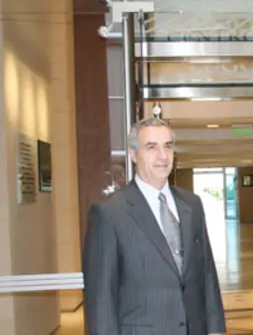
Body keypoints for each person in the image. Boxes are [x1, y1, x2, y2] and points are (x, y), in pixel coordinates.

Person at [82, 118, 225, 335]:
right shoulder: (109, 214)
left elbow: (207, 273)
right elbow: (101, 300)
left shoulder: (192, 205)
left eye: (168, 146)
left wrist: (216, 329)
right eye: (152, 147)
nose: (163, 155)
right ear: (133, 154)